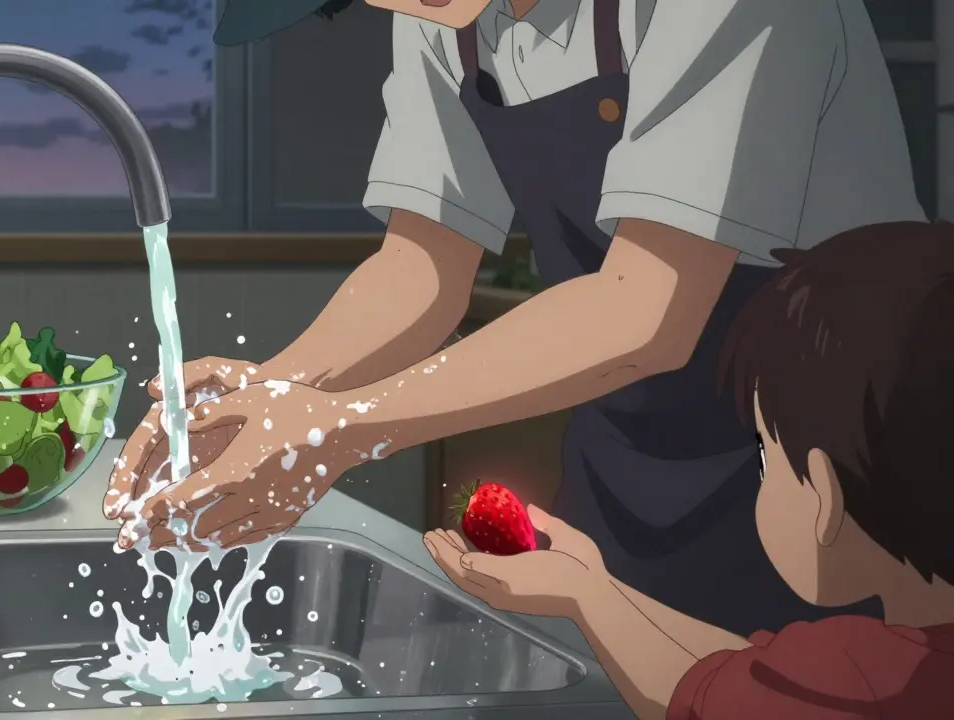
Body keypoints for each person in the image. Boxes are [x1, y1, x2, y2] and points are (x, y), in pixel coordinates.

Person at [106, 0, 926, 637]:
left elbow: (648, 307)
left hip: (835, 473)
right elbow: (422, 264)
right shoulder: (443, 16)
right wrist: (272, 396)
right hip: (628, 458)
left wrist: (335, 429)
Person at [424, 220, 954, 719]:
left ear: (824, 495)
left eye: (765, 451)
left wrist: (581, 595)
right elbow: (751, 670)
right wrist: (590, 586)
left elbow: (696, 691)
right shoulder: (891, 656)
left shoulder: (864, 676)